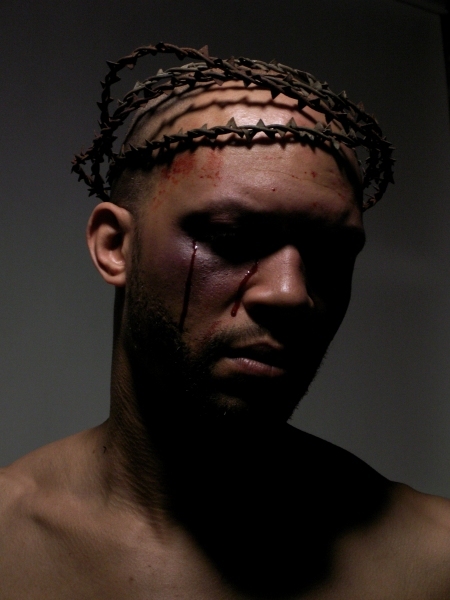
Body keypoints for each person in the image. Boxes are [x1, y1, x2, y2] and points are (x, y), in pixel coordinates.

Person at [1, 43, 449, 600]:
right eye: (230, 238)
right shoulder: (9, 542)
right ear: (116, 247)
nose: (290, 293)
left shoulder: (432, 562)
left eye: (331, 255)